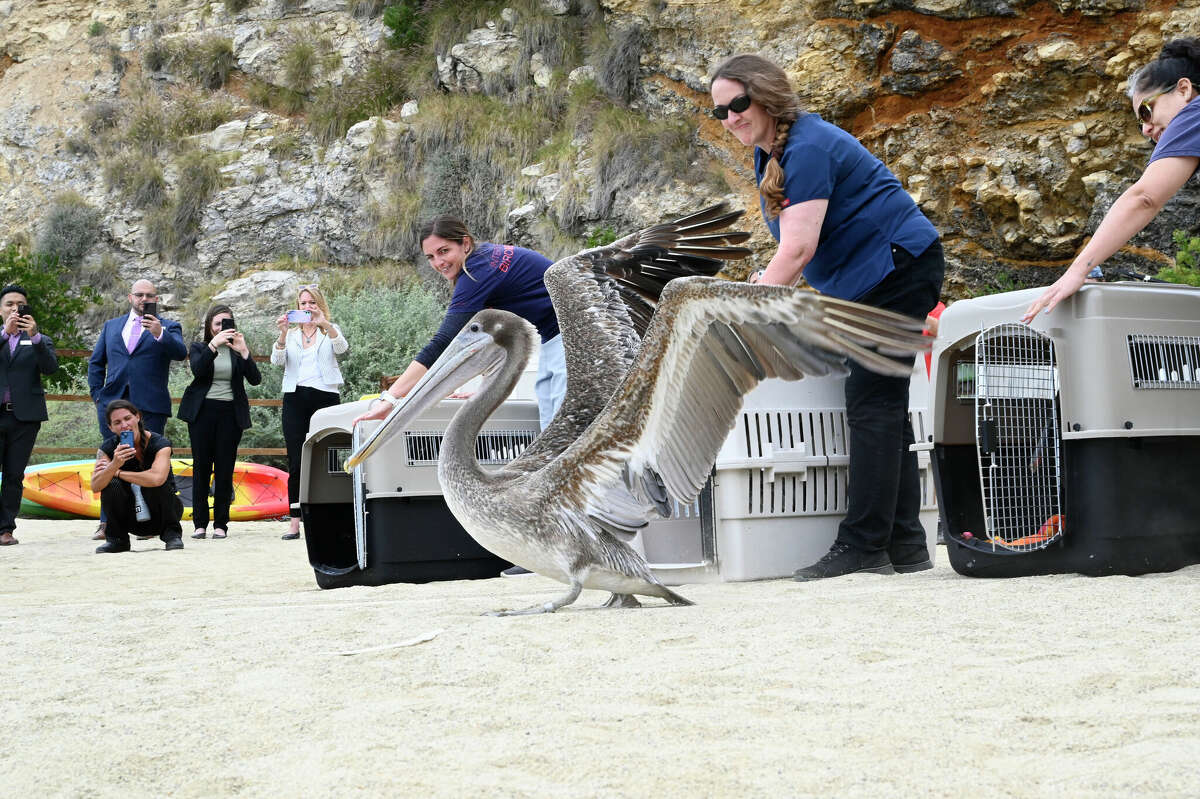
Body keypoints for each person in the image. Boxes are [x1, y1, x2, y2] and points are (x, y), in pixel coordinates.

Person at [710, 53, 944, 581]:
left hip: (896, 268)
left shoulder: (809, 146)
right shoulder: (773, 149)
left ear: (766, 96)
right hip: (869, 280)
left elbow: (796, 250)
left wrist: (752, 312)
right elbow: (796, 250)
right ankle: (904, 544)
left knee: (871, 403)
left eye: (739, 105)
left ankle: (863, 545)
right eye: (721, 112)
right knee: (882, 405)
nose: (731, 119)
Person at [1024, 38, 1200, 321]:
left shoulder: (1194, 114)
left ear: (1183, 89)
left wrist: (1078, 271)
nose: (1145, 129)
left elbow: (1144, 198)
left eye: (1146, 111)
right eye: (1139, 121)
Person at [353, 216, 566, 430]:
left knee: (560, 427)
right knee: (550, 425)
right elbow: (493, 339)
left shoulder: (476, 272)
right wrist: (489, 387)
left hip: (571, 333)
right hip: (554, 334)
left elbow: (444, 342)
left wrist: (389, 399)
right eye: (430, 257)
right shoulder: (483, 259)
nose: (438, 262)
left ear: (465, 244)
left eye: (444, 251)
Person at [87, 279, 187, 540]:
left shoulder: (167, 326)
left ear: (157, 299)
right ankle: (107, 523)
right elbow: (96, 363)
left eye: (149, 295)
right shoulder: (111, 326)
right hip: (113, 406)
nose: (144, 299)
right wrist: (98, 396)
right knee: (109, 461)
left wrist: (159, 333)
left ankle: (155, 522)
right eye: (139, 295)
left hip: (150, 406)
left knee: (151, 462)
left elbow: (180, 352)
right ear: (130, 297)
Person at [178, 305, 262, 540]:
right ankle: (200, 523)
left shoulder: (237, 350)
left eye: (226, 323)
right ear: (209, 327)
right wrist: (214, 345)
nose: (222, 327)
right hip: (202, 412)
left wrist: (244, 351)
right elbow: (198, 370)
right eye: (217, 324)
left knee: (225, 469)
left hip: (230, 414)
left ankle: (221, 524)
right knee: (201, 468)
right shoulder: (200, 347)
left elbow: (255, 380)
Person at [272, 285, 347, 540]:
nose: (307, 307)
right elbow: (277, 362)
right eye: (303, 303)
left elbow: (342, 349)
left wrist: (325, 324)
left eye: (312, 303)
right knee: (296, 459)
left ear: (320, 304)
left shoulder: (329, 328)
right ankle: (295, 521)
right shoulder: (291, 334)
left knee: (328, 455)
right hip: (295, 397)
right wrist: (282, 335)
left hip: (325, 395)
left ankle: (331, 515)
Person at [0, 285, 58, 546]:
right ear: (1, 310)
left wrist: (33, 337)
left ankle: (5, 529)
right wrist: (5, 335)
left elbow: (50, 368)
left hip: (24, 418)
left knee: (14, 475)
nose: (15, 309)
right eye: (9, 304)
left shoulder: (40, 340)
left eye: (20, 304)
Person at [91, 399, 184, 553]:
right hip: (130, 518)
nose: (124, 425)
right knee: (110, 483)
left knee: (156, 482)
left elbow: (157, 478)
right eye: (117, 422)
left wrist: (118, 472)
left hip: (164, 514)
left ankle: (172, 535)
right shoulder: (107, 449)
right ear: (111, 427)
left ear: (137, 417)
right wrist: (114, 464)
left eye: (127, 418)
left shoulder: (161, 444)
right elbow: (96, 486)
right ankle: (117, 540)